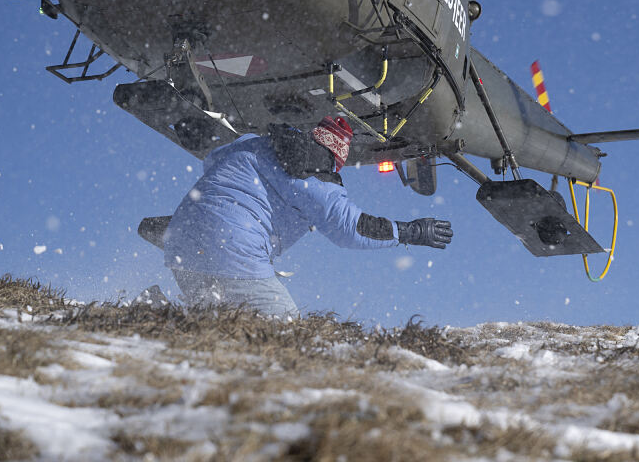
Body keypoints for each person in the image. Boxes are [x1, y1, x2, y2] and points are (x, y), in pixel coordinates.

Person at [159, 115, 453, 319]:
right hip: (233, 250)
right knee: (284, 326)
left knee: (211, 314)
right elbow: (353, 229)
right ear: (338, 158)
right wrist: (410, 232)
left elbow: (212, 159)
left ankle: (155, 311)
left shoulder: (252, 142)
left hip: (179, 242)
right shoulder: (318, 182)